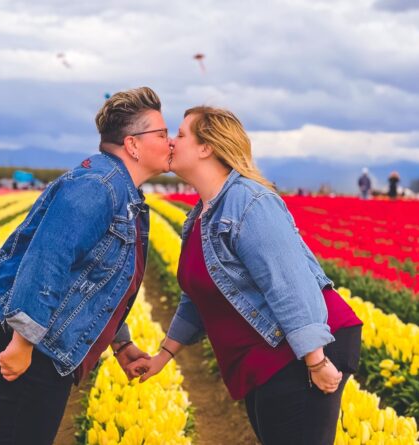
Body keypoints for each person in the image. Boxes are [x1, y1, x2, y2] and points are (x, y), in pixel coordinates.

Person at [129, 107, 362, 445]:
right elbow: (198, 297)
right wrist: (162, 357)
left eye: (180, 134)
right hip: (267, 352)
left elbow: (288, 284)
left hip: (302, 349)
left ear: (207, 147)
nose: (171, 143)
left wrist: (316, 361)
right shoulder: (201, 216)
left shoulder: (248, 201)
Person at [0, 87, 173, 445]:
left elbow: (94, 276)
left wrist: (120, 343)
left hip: (40, 332)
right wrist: (22, 342)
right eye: (162, 134)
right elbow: (49, 257)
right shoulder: (99, 186)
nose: (171, 143)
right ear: (133, 144)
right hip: (22, 332)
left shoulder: (123, 191)